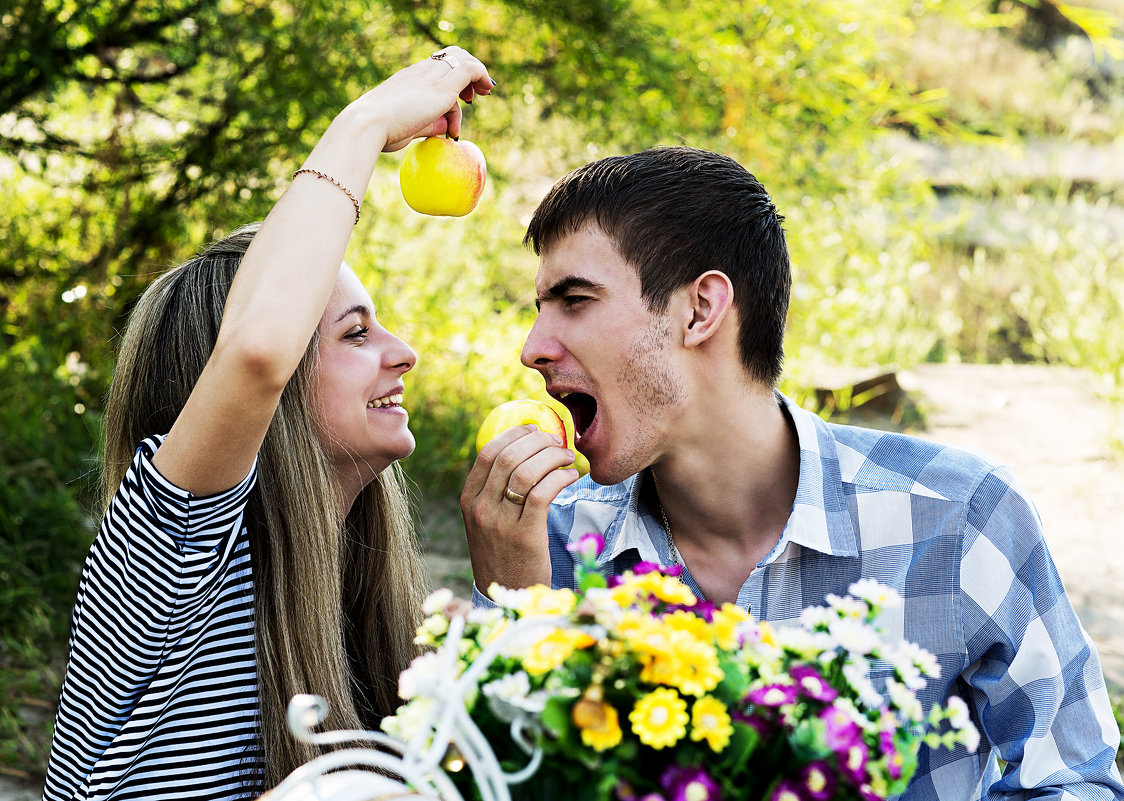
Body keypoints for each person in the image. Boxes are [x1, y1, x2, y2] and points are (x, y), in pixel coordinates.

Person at [460, 147, 1124, 799]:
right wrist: (518, 608)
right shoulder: (547, 544)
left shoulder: (959, 518)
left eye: (574, 299)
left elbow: (1075, 779)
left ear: (700, 309)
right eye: (540, 308)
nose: (533, 348)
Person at [43, 47, 495, 801]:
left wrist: (515, 581)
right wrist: (367, 124)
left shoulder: (354, 600)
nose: (404, 354)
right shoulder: (165, 554)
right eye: (356, 334)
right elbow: (256, 351)